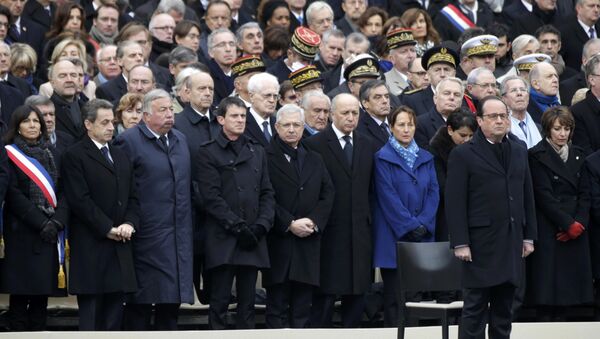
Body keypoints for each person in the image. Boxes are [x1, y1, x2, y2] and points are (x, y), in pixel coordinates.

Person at [446, 95, 537, 339]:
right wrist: (460, 242)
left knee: (504, 309)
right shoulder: (464, 154)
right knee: (474, 310)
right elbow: (455, 202)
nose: (499, 120)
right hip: (479, 245)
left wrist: (529, 236)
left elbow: (527, 195)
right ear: (479, 121)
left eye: (503, 116)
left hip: (510, 241)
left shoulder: (518, 149)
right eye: (493, 116)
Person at [113, 89, 194, 330]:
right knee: (141, 303)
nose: (170, 114)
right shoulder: (128, 141)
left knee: (171, 305)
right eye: (163, 110)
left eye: (171, 109)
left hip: (179, 234)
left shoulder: (180, 139)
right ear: (146, 115)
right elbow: (123, 189)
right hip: (146, 235)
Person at [196, 96, 275, 329]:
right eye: (234, 116)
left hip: (253, 236)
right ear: (221, 119)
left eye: (243, 116)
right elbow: (211, 198)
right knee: (219, 301)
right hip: (224, 237)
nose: (240, 120)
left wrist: (262, 225)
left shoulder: (256, 150)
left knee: (248, 303)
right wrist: (237, 226)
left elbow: (267, 192)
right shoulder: (208, 152)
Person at [61, 99, 138, 330]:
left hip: (120, 246)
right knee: (92, 318)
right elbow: (79, 200)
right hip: (92, 246)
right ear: (88, 124)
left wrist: (130, 223)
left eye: (112, 122)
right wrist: (107, 228)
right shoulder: (74, 155)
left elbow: (133, 196)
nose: (111, 127)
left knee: (115, 315)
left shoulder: (120, 154)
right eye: (104, 122)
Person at [304, 93, 376, 328]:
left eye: (355, 112)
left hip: (360, 233)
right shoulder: (314, 144)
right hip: (329, 233)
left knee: (357, 294)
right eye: (345, 113)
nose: (350, 117)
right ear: (332, 114)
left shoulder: (368, 144)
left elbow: (371, 189)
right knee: (325, 296)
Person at [264, 103, 334, 328]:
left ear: (303, 128)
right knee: (277, 307)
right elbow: (265, 197)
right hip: (280, 242)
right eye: (287, 125)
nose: (292, 129)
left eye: (297, 125)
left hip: (308, 242)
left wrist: (314, 221)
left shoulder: (314, 158)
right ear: (277, 127)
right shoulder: (264, 156)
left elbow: (328, 193)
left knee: (303, 308)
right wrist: (289, 223)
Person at [1, 105, 67, 331]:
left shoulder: (53, 153)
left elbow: (65, 192)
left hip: (50, 233)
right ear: (17, 126)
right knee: (21, 296)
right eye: (27, 121)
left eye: (36, 121)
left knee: (41, 295)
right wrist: (40, 222)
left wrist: (57, 221)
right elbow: (12, 193)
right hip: (23, 231)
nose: (32, 125)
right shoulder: (8, 153)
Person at [372, 105, 439, 327]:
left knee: (416, 296)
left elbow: (433, 193)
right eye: (401, 124)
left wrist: (424, 223)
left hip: (421, 236)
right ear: (391, 128)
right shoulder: (382, 158)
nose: (406, 129)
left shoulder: (426, 157)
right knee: (395, 296)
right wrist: (410, 225)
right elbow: (387, 196)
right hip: (395, 236)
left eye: (410, 124)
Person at [527, 106, 593, 321]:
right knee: (549, 289)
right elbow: (544, 196)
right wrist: (566, 224)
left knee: (572, 293)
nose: (563, 134)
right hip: (551, 229)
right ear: (548, 129)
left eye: (567, 129)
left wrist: (579, 224)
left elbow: (585, 193)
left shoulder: (579, 154)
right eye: (558, 129)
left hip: (576, 229)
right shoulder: (537, 155)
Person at [428, 109, 477, 242]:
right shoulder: (436, 150)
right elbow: (443, 187)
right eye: (462, 135)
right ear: (450, 130)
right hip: (447, 216)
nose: (467, 140)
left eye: (471, 136)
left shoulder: (476, 150)